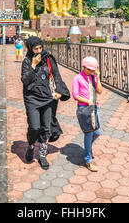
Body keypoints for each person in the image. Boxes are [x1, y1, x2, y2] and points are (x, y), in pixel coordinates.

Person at [21, 37, 70, 170]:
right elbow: (25, 81)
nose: (38, 51)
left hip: (47, 98)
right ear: (30, 49)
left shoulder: (48, 58)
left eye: (40, 48)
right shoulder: (27, 61)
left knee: (46, 128)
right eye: (35, 48)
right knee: (34, 127)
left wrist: (60, 91)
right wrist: (33, 65)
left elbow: (56, 75)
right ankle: (31, 146)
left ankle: (42, 155)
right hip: (31, 98)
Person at [72, 57, 102, 172]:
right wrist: (87, 101)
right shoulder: (77, 78)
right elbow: (75, 95)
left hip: (95, 107)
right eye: (89, 69)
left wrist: (98, 78)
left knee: (97, 132)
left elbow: (99, 91)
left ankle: (87, 147)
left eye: (93, 70)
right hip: (84, 108)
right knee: (89, 133)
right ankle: (88, 159)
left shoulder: (93, 77)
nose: (91, 72)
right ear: (83, 67)